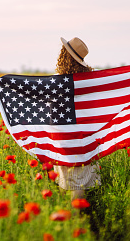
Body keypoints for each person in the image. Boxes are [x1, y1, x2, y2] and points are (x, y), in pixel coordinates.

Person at [53, 37, 101, 200]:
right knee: (80, 181)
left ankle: (70, 219)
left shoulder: (56, 83)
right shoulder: (89, 82)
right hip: (86, 138)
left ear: (64, 56)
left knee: (65, 181)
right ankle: (78, 217)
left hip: (64, 139)